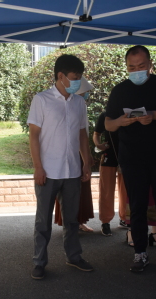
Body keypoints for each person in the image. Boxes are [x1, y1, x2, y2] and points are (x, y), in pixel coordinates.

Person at [105, 45, 156, 273]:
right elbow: (109, 123)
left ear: (150, 64)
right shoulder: (119, 90)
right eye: (131, 67)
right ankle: (139, 252)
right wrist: (121, 121)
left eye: (141, 66)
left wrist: (153, 115)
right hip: (132, 158)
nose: (136, 71)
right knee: (137, 206)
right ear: (126, 67)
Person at [28, 54, 94, 280]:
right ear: (61, 76)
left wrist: (86, 162)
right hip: (48, 171)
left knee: (72, 220)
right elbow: (34, 136)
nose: (78, 81)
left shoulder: (79, 103)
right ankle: (39, 262)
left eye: (80, 77)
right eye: (75, 77)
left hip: (72, 171)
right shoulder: (42, 100)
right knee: (43, 221)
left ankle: (74, 257)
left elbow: (82, 134)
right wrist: (38, 167)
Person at [54, 77, 95, 233]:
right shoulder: (65, 104)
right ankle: (71, 222)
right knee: (70, 193)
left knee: (80, 191)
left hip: (80, 156)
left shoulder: (79, 104)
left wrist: (86, 157)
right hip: (71, 156)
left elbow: (83, 134)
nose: (86, 95)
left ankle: (79, 221)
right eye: (84, 92)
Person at [93, 111, 129, 236]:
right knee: (106, 190)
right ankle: (105, 222)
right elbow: (96, 134)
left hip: (126, 157)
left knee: (126, 190)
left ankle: (125, 218)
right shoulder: (105, 115)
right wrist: (98, 145)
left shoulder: (130, 113)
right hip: (108, 156)